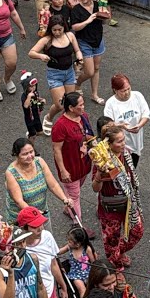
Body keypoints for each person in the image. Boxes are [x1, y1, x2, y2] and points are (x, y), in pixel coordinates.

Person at [91, 123, 143, 269]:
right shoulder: (102, 159)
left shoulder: (125, 153)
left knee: (137, 232)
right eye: (119, 141)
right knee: (111, 241)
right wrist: (100, 174)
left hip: (128, 204)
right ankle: (116, 268)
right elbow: (96, 189)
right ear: (109, 143)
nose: (123, 144)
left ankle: (118, 253)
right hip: (110, 209)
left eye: (123, 139)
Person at [30, 17, 82, 134]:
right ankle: (49, 117)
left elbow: (77, 50)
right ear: (50, 29)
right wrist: (41, 56)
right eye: (54, 30)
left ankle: (67, 126)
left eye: (60, 29)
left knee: (70, 103)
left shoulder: (70, 36)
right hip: (55, 74)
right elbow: (31, 52)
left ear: (64, 27)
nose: (57, 32)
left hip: (69, 72)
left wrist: (80, 57)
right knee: (60, 105)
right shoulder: (46, 40)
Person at [5, 137, 73, 223]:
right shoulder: (11, 173)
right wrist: (35, 214)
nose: (30, 156)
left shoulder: (39, 162)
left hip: (42, 213)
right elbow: (19, 201)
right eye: (25, 154)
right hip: (23, 219)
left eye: (31, 152)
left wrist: (64, 199)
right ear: (16, 155)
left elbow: (53, 185)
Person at [52, 91, 93, 227]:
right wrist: (63, 170)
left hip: (84, 163)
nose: (83, 107)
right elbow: (57, 149)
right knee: (74, 196)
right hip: (70, 167)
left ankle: (68, 207)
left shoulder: (83, 117)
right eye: (80, 105)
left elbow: (88, 136)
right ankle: (78, 224)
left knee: (74, 192)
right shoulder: (60, 126)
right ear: (71, 108)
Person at [15, 206, 69, 298]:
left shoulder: (47, 236)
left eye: (41, 224)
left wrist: (64, 287)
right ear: (24, 228)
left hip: (50, 290)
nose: (40, 228)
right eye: (35, 226)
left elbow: (54, 265)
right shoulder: (18, 249)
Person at [70, 0, 109, 104]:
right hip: (84, 42)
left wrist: (106, 15)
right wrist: (88, 21)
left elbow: (106, 21)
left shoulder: (99, 4)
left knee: (96, 68)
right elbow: (74, 27)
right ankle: (77, 83)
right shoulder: (76, 9)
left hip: (98, 40)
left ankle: (94, 94)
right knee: (89, 71)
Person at [0, 224, 46, 298]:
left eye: (24, 241)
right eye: (18, 243)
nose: (22, 246)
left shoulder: (33, 258)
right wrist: (11, 274)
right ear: (7, 247)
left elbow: (40, 288)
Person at [103, 74, 150, 168]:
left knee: (133, 168)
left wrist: (140, 125)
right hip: (120, 145)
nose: (127, 92)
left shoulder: (137, 96)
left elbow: (146, 114)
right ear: (115, 90)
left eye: (129, 88)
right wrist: (121, 126)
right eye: (123, 91)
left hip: (136, 142)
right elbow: (107, 125)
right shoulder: (110, 104)